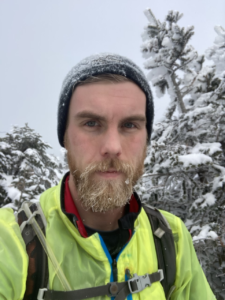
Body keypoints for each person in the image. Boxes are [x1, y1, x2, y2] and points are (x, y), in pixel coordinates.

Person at [0, 54, 215, 300]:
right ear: (65, 138)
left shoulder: (171, 238)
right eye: (92, 123)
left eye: (130, 125)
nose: (112, 146)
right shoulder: (13, 238)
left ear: (146, 140)